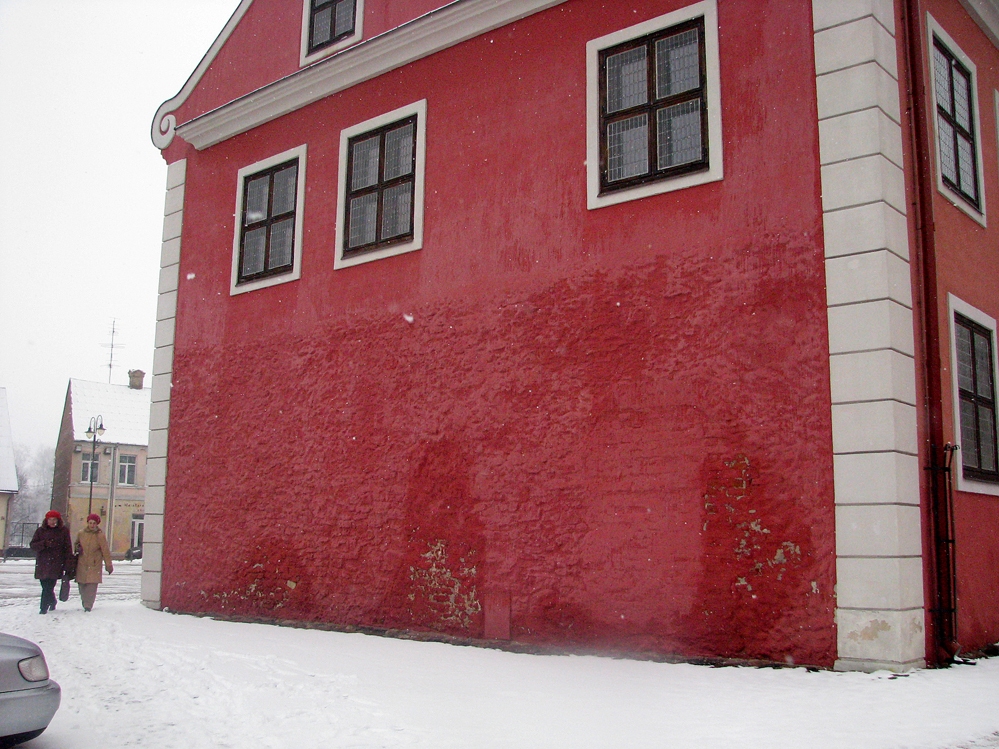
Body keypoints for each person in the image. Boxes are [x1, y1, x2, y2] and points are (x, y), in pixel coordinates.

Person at [30, 510, 74, 615]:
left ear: (58, 520)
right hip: (43, 563)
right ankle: (52, 601)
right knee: (45, 586)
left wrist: (68, 563)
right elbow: (33, 545)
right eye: (50, 519)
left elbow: (67, 548)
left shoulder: (63, 531)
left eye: (54, 520)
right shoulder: (40, 531)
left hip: (56, 563)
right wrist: (44, 544)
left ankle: (43, 608)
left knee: (49, 586)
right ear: (46, 520)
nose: (52, 522)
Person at [75, 513, 113, 612]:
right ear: (87, 523)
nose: (92, 525)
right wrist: (77, 548)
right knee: (82, 585)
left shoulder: (100, 536)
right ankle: (85, 602)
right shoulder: (81, 533)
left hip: (94, 564)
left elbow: (105, 551)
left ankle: (88, 605)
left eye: (94, 523)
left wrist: (108, 565)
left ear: (97, 524)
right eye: (90, 523)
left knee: (91, 586)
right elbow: (76, 544)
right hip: (82, 563)